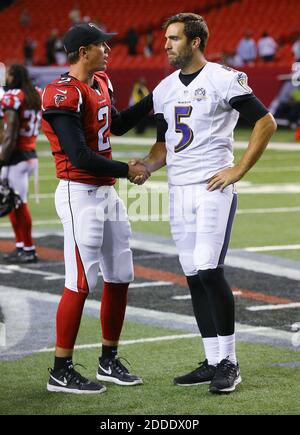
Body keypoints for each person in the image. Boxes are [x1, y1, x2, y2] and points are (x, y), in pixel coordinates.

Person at [130, 13, 277, 394]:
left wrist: (239, 168)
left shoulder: (222, 78)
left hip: (212, 186)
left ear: (196, 42)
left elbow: (265, 122)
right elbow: (164, 144)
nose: (166, 45)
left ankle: (229, 361)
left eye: (174, 38)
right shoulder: (163, 88)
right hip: (178, 190)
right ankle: (212, 360)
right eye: (165, 38)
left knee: (210, 269)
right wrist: (146, 165)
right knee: (194, 276)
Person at [42, 23, 152, 394]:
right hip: (79, 193)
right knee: (80, 282)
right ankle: (61, 369)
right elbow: (79, 155)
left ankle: (108, 359)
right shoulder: (62, 92)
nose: (108, 49)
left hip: (105, 193)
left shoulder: (101, 81)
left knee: (121, 273)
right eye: (101, 44)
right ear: (83, 50)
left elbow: (116, 125)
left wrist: (154, 101)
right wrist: (127, 169)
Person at [0, 64, 41, 264]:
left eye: (8, 75)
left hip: (16, 157)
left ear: (14, 76)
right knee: (11, 203)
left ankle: (29, 248)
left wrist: (2, 158)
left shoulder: (14, 97)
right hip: (28, 154)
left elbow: (11, 132)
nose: (6, 78)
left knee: (18, 203)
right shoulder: (34, 95)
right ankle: (21, 245)